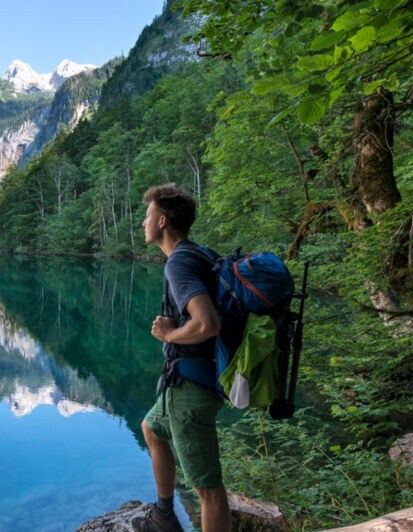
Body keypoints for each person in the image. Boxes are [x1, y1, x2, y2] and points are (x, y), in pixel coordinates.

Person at [133, 183, 230, 532]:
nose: (142, 223)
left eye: (146, 216)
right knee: (151, 428)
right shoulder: (200, 253)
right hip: (191, 382)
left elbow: (207, 323)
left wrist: (169, 334)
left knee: (209, 490)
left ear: (161, 221)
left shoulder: (179, 264)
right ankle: (163, 515)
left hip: (191, 388)